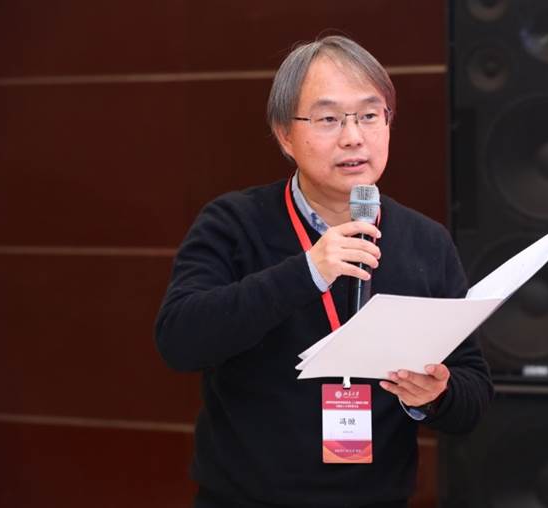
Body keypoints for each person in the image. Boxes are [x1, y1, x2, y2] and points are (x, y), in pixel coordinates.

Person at [154, 35, 493, 508]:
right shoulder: (233, 223)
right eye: (329, 119)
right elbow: (179, 340)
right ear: (284, 134)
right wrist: (307, 272)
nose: (353, 136)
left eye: (370, 115)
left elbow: (473, 393)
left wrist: (435, 394)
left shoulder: (426, 242)